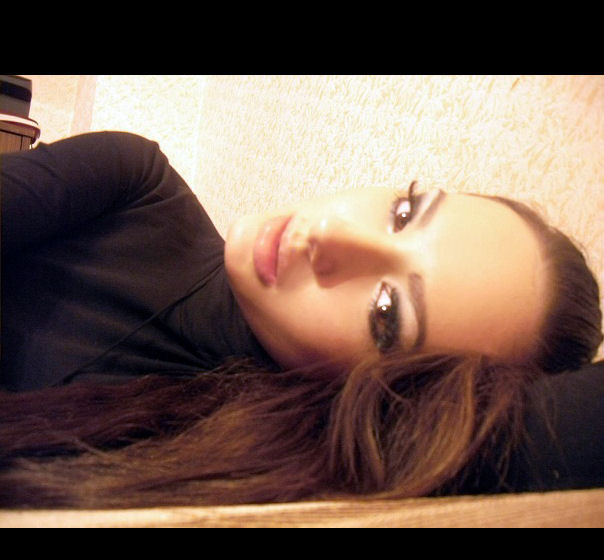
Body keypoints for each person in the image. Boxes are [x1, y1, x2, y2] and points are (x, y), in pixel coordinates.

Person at [0, 131, 602, 509]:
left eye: (387, 313)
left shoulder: (212, 470)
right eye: (404, 211)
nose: (332, 235)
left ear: (380, 401)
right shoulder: (133, 181)